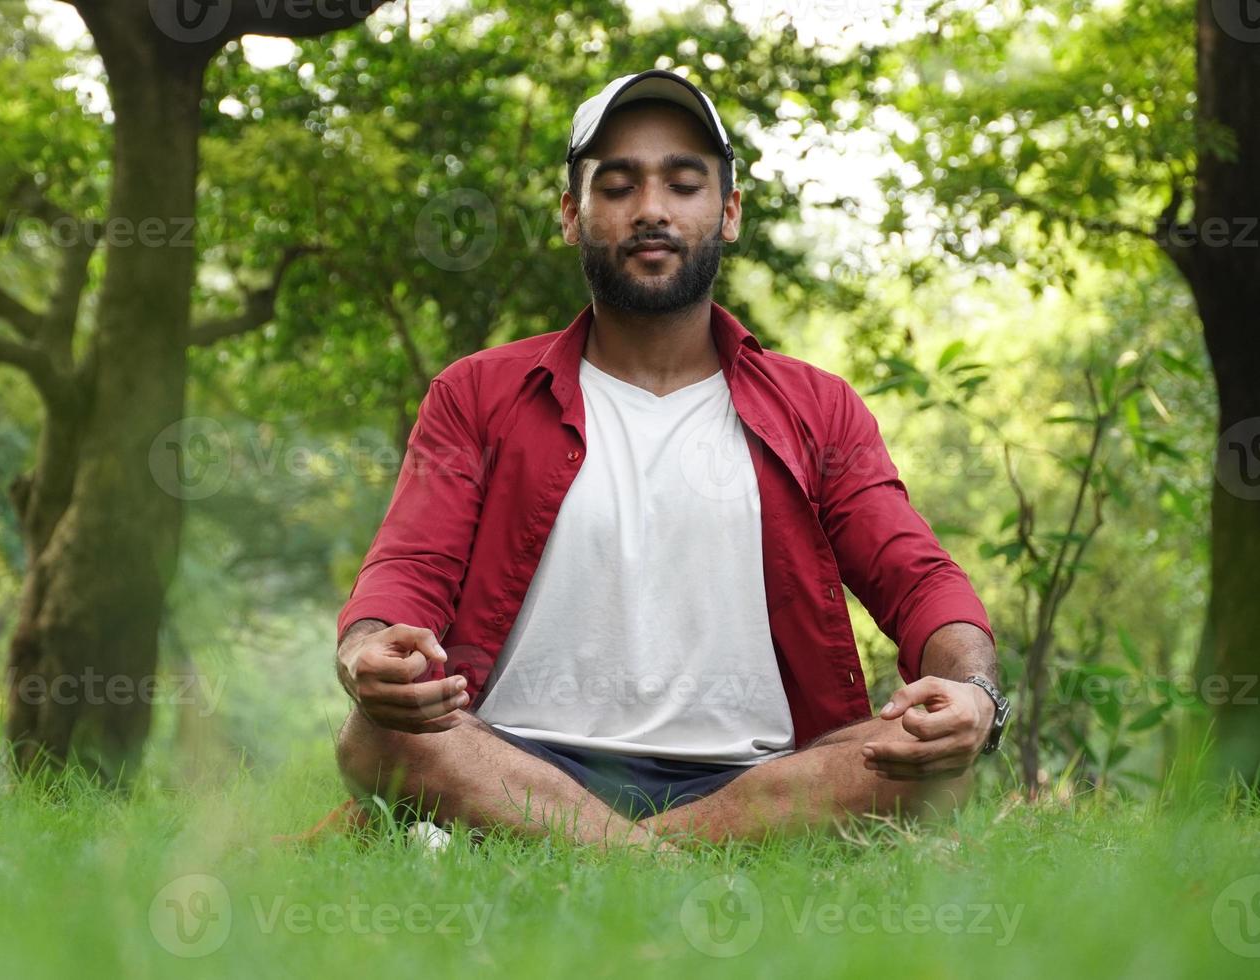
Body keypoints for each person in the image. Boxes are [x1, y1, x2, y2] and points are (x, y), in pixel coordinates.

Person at [324, 70, 1007, 849]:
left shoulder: (819, 407)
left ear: (730, 211)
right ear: (572, 217)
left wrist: (972, 691)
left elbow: (918, 578)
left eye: (684, 184)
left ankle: (574, 849)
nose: (651, 209)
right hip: (510, 757)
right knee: (377, 737)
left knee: (933, 765)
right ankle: (678, 865)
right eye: (617, 186)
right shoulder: (476, 393)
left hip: (753, 777)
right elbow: (406, 568)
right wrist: (364, 648)